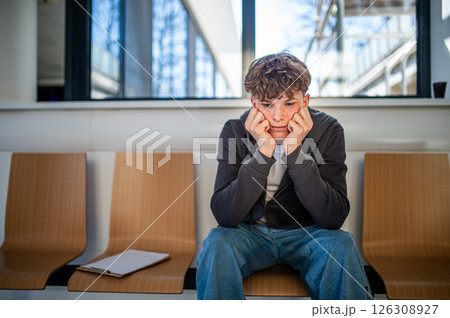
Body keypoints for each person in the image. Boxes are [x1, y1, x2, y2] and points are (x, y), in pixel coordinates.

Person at [196, 52, 371, 300]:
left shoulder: (330, 130)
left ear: (305, 101)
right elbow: (226, 215)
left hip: (307, 234)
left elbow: (333, 217)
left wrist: (295, 150)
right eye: (267, 104)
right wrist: (263, 150)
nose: (278, 117)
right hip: (250, 234)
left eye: (289, 104)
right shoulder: (234, 130)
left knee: (341, 244)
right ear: (254, 104)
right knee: (217, 243)